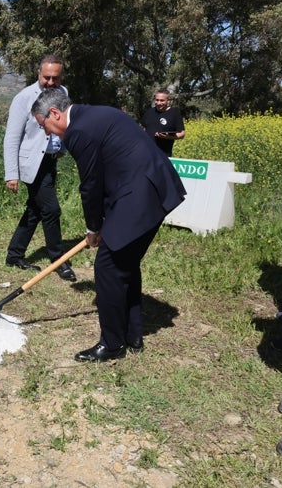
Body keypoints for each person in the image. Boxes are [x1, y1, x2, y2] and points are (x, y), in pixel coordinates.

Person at [33, 88, 186, 362]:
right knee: (124, 262)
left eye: (43, 125)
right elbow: (105, 174)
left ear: (54, 113)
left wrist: (94, 228)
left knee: (108, 265)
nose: (47, 133)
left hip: (139, 194)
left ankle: (113, 344)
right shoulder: (95, 113)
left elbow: (91, 185)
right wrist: (103, 223)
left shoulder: (79, 131)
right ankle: (132, 335)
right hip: (152, 187)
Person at [3, 55, 76, 281]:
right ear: (38, 73)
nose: (51, 82)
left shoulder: (63, 93)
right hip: (31, 163)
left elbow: (64, 122)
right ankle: (58, 260)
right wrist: (11, 173)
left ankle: (14, 255)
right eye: (47, 77)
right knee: (51, 210)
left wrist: (62, 146)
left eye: (55, 77)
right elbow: (12, 137)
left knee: (35, 210)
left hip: (51, 161)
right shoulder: (23, 98)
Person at [141, 88, 186, 157]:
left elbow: (182, 133)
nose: (159, 103)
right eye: (157, 100)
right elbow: (144, 129)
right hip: (146, 154)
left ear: (168, 101)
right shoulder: (149, 112)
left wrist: (168, 137)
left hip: (163, 156)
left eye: (162, 100)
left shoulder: (174, 113)